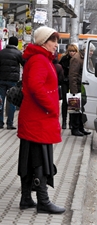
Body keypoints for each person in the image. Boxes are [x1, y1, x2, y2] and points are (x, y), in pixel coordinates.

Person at [17, 26, 65, 214]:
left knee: (30, 158)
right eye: (53, 40)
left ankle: (26, 198)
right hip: (38, 118)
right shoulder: (39, 60)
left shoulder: (40, 58)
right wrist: (52, 107)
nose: (56, 45)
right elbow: (36, 87)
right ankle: (43, 201)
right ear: (43, 42)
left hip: (35, 118)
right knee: (40, 160)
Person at [0, 36, 25, 129]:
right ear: (16, 44)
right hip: (13, 80)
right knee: (12, 101)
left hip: (1, 80)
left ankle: (0, 122)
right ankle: (10, 123)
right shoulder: (18, 53)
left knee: (0, 101)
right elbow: (25, 64)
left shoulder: (1, 52)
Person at [68, 42, 92, 136]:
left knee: (81, 109)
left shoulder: (84, 58)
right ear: (85, 49)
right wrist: (74, 92)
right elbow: (73, 76)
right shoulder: (77, 59)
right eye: (90, 50)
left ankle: (81, 128)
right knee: (75, 109)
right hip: (76, 88)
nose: (91, 53)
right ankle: (75, 128)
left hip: (81, 87)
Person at [59, 44, 78, 129]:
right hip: (65, 82)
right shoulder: (64, 59)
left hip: (73, 82)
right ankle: (64, 121)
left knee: (73, 102)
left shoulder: (77, 59)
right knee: (65, 102)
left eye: (73, 51)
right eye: (70, 51)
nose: (72, 53)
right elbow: (60, 69)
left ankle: (71, 122)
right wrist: (64, 78)